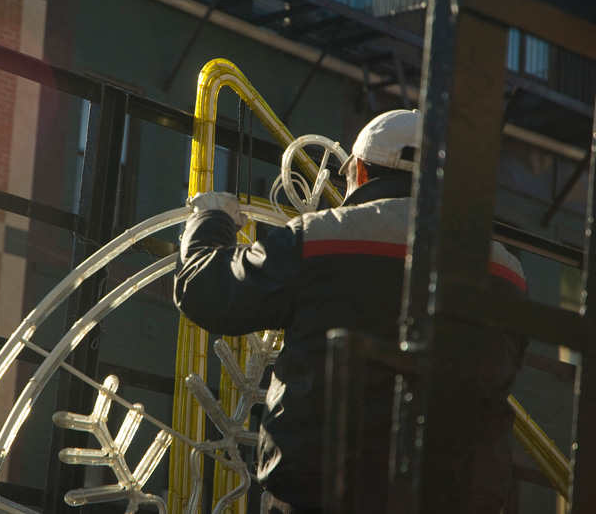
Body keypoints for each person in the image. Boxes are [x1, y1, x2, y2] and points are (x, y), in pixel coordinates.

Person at [173, 109, 527, 513]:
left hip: (327, 486)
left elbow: (208, 292)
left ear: (359, 170)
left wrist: (210, 220)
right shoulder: (506, 272)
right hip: (459, 493)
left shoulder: (319, 237)